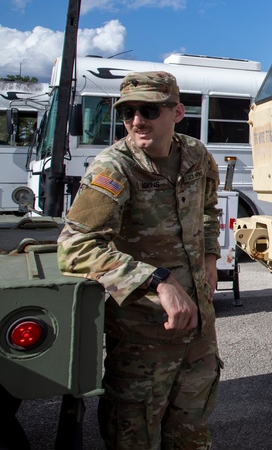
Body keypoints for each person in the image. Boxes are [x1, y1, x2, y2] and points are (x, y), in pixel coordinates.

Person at [57, 71, 222, 450]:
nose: (136, 121)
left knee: (191, 433)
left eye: (149, 110)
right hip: (142, 336)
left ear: (177, 111)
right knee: (135, 437)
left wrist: (210, 255)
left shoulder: (196, 155)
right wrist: (158, 280)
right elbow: (74, 246)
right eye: (128, 112)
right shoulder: (113, 167)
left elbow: (209, 208)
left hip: (198, 331)